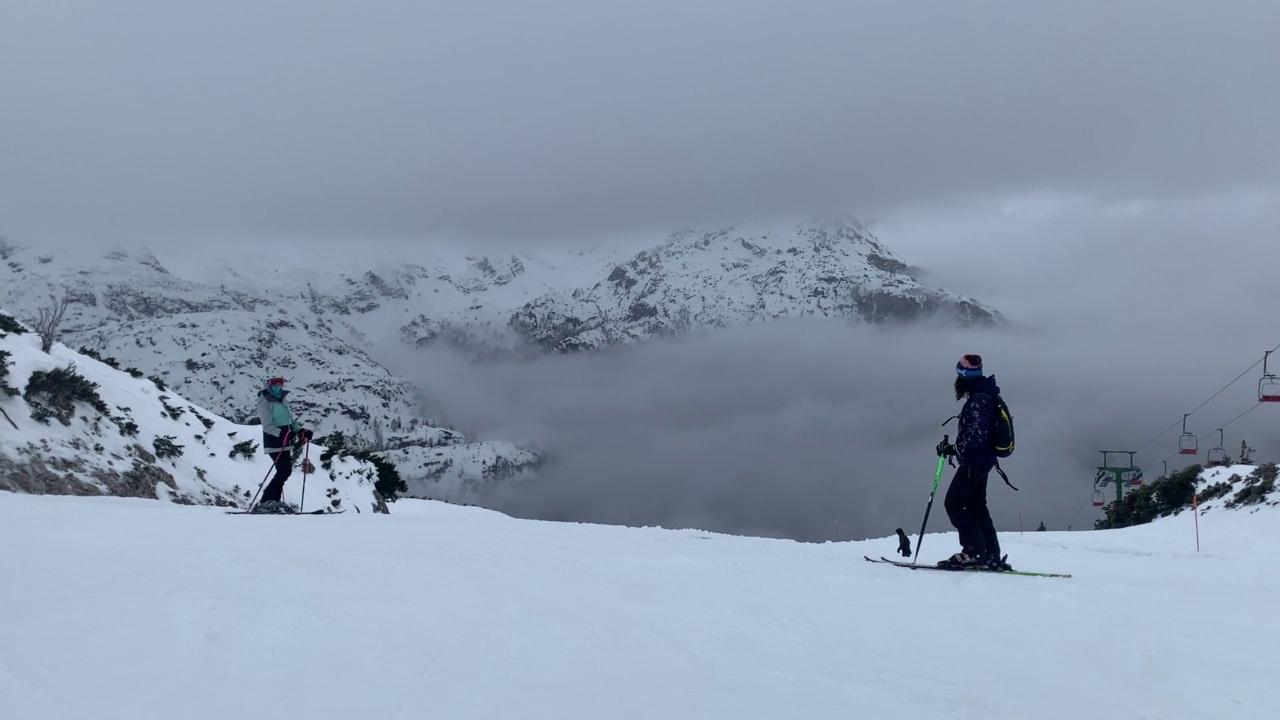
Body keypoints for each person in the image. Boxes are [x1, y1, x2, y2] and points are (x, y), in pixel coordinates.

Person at [936, 354, 1011, 571]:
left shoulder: (979, 398)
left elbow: (976, 435)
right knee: (977, 506)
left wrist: (954, 449)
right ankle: (990, 554)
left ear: (963, 376)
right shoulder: (986, 394)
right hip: (984, 460)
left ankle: (973, 551)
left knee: (954, 503)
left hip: (975, 461)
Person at [254, 376, 313, 513]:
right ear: (267, 384)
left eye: (281, 382)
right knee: (284, 470)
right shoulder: (264, 402)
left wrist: (301, 431)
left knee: (284, 471)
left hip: (286, 441)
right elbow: (267, 426)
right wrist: (283, 434)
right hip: (274, 441)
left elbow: (291, 422)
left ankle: (274, 500)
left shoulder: (282, 399)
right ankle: (265, 500)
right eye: (274, 383)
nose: (278, 385)